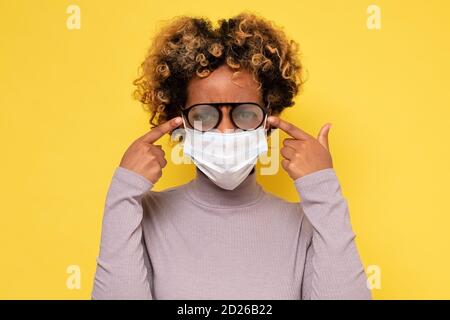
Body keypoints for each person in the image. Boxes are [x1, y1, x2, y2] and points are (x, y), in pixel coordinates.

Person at [91, 12, 371, 300]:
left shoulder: (308, 223)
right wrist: (122, 192)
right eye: (204, 115)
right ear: (179, 121)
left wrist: (323, 189)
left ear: (268, 119)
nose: (225, 130)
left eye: (245, 113)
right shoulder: (141, 217)